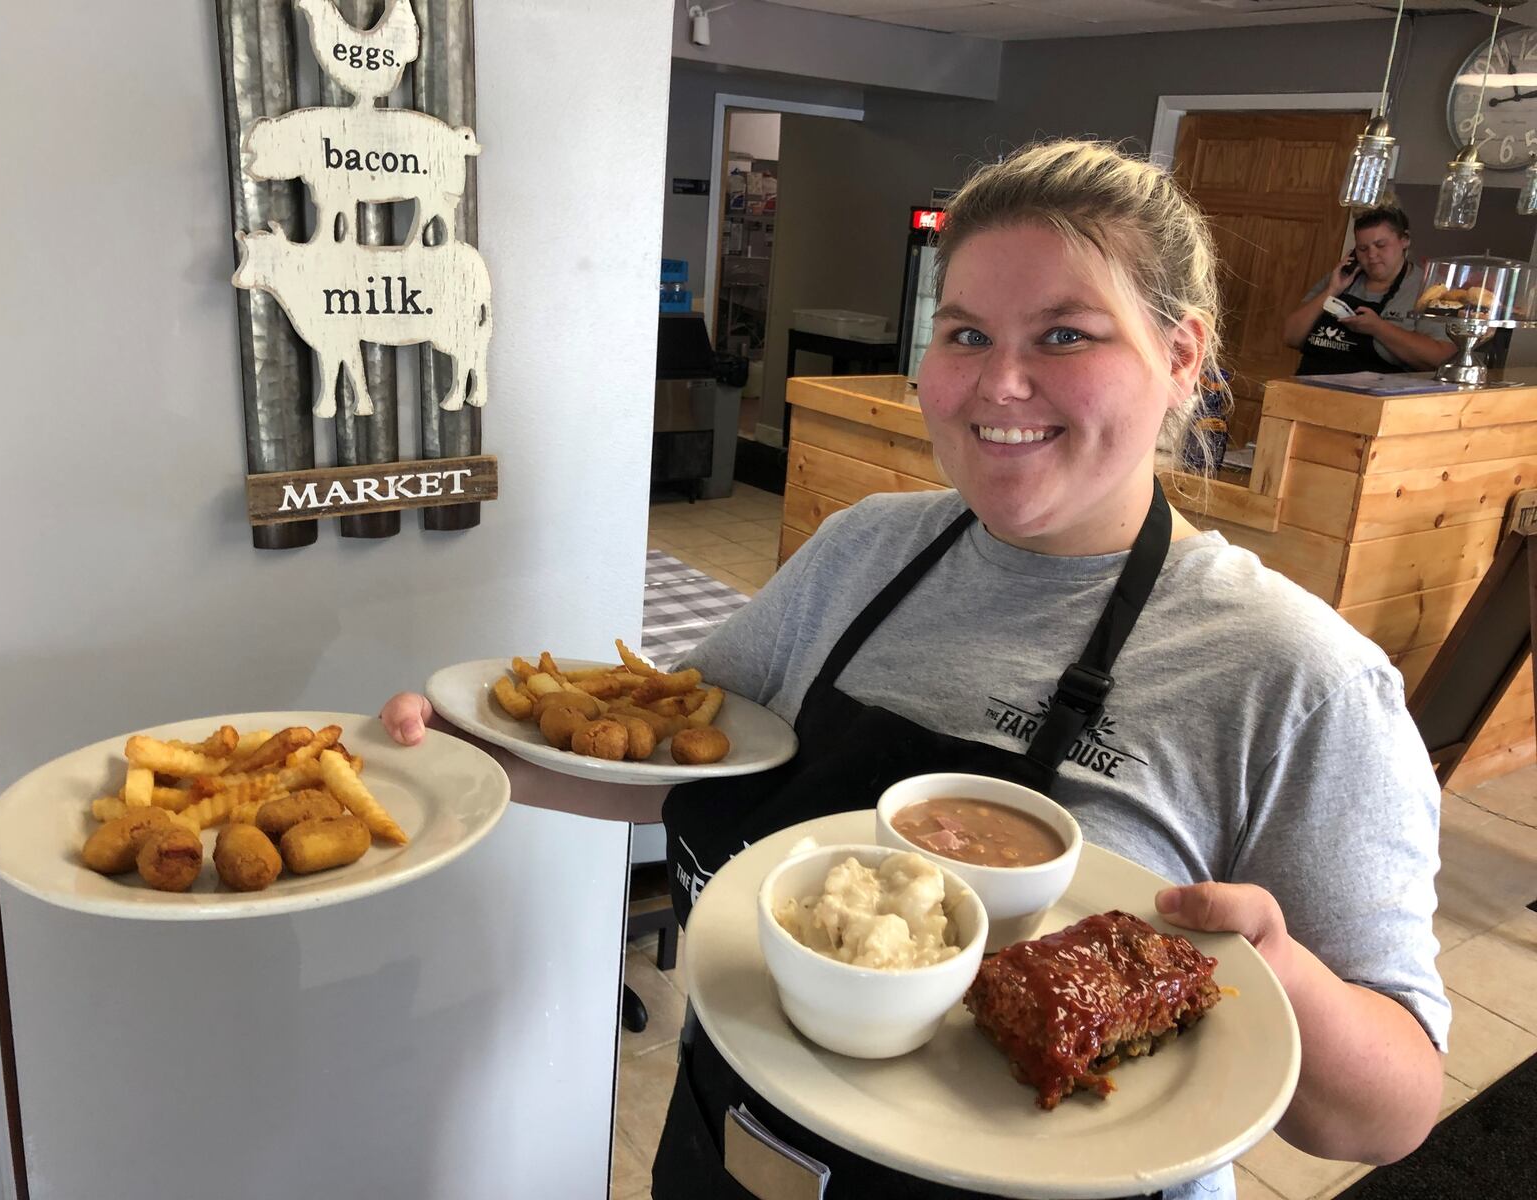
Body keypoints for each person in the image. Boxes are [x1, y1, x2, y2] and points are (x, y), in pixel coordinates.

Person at [381, 142, 1447, 1200]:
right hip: (733, 1155)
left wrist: (1276, 969)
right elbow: (688, 772)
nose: (1000, 384)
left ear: (1180, 357)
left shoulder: (1290, 675)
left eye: (1065, 335)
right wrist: (481, 760)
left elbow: (1388, 1114)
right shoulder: (863, 550)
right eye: (966, 333)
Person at [1283, 204, 1453, 374]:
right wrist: (1331, 291)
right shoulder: (1341, 278)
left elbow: (1441, 359)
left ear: (1405, 240)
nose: (1371, 255)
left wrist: (1378, 328)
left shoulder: (1429, 290)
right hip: (1307, 388)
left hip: (1373, 396)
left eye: (1380, 245)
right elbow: (1291, 337)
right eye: (1362, 249)